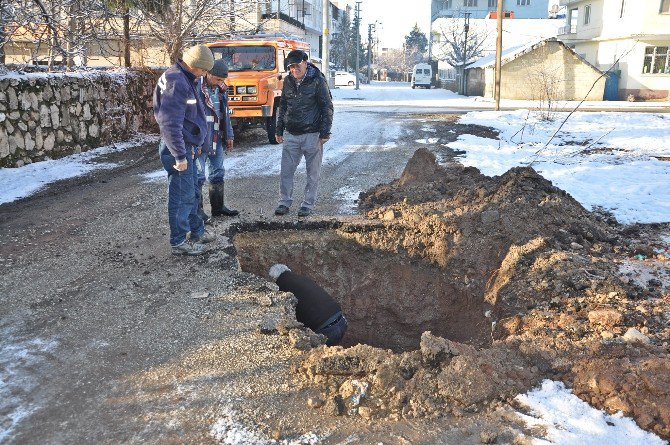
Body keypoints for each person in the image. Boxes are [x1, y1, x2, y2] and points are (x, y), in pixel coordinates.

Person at [154, 44, 217, 256]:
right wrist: (179, 155)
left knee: (190, 193)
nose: (205, 74)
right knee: (182, 196)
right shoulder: (177, 82)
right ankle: (179, 241)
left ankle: (197, 231)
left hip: (187, 146)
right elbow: (170, 123)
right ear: (194, 65)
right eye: (204, 70)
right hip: (179, 148)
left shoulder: (186, 77)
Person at [274, 49, 334, 218]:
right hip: (291, 134)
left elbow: (327, 107)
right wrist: (279, 130)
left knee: (312, 173)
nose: (294, 70)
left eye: (297, 66)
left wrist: (325, 132)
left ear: (305, 63)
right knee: (286, 171)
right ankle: (284, 202)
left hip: (312, 135)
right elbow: (283, 106)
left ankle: (307, 204)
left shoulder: (318, 80)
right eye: (291, 67)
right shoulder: (288, 82)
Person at [196, 59, 239, 223]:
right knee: (199, 176)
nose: (220, 82)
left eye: (222, 79)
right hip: (201, 139)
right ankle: (197, 211)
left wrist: (229, 135)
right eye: (217, 79)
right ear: (208, 73)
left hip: (216, 138)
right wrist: (196, 143)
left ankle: (218, 208)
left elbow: (225, 114)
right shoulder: (197, 89)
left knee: (218, 172)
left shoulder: (221, 90)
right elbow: (194, 118)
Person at [269, 264, 347, 346]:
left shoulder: (282, 290)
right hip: (342, 321)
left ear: (274, 279)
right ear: (288, 270)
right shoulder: (304, 279)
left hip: (325, 330)